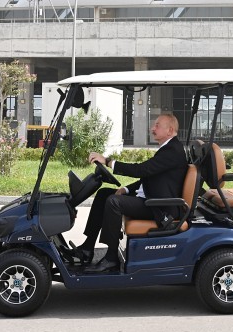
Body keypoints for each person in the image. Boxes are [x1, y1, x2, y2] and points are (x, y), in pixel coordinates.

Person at [69, 113, 187, 273]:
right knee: (104, 193)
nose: (153, 128)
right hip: (152, 199)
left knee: (114, 202)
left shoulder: (173, 151)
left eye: (157, 125)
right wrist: (126, 189)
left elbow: (142, 170)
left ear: (170, 130)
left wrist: (109, 162)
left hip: (159, 207)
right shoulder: (168, 148)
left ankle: (111, 258)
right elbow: (149, 176)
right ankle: (87, 248)